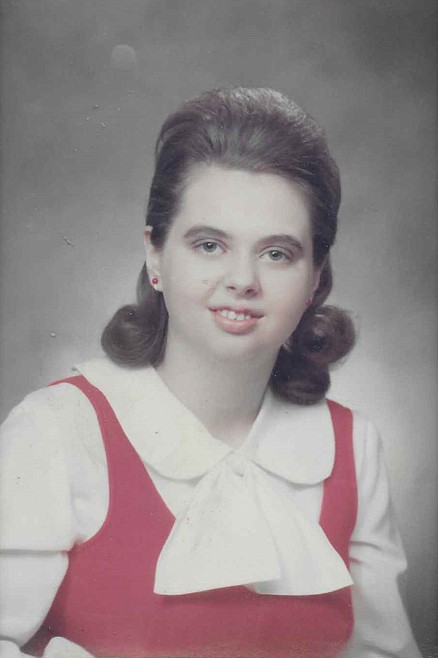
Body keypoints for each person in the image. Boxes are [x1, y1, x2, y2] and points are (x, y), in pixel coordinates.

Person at [0, 88, 422, 658]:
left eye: (277, 253)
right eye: (209, 245)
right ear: (155, 255)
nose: (242, 279)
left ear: (315, 277)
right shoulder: (57, 431)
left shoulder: (353, 447)